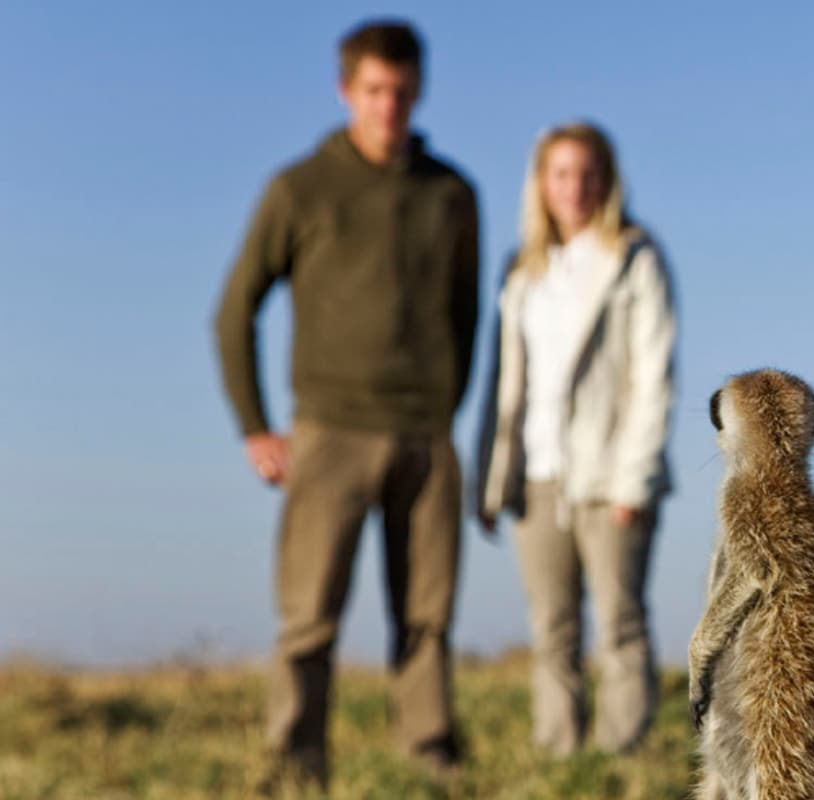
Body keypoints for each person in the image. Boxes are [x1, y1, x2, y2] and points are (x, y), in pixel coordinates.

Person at [211, 19, 478, 784]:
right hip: (329, 429)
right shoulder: (299, 188)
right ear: (345, 91)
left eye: (400, 91)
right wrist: (255, 426)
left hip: (427, 433)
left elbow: (464, 315)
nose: (388, 106)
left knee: (427, 614)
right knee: (309, 615)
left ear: (419, 90)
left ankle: (431, 759)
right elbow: (235, 310)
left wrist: (446, 407)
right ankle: (295, 762)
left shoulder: (452, 194)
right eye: (373, 91)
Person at [475, 121, 677, 756]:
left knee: (620, 622)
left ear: (608, 180)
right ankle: (561, 761)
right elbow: (505, 384)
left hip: (611, 476)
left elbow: (654, 375)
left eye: (588, 173)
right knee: (551, 630)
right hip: (538, 475)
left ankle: (622, 760)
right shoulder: (522, 270)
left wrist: (633, 477)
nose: (575, 187)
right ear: (541, 183)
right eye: (561, 173)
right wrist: (492, 477)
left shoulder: (635, 258)